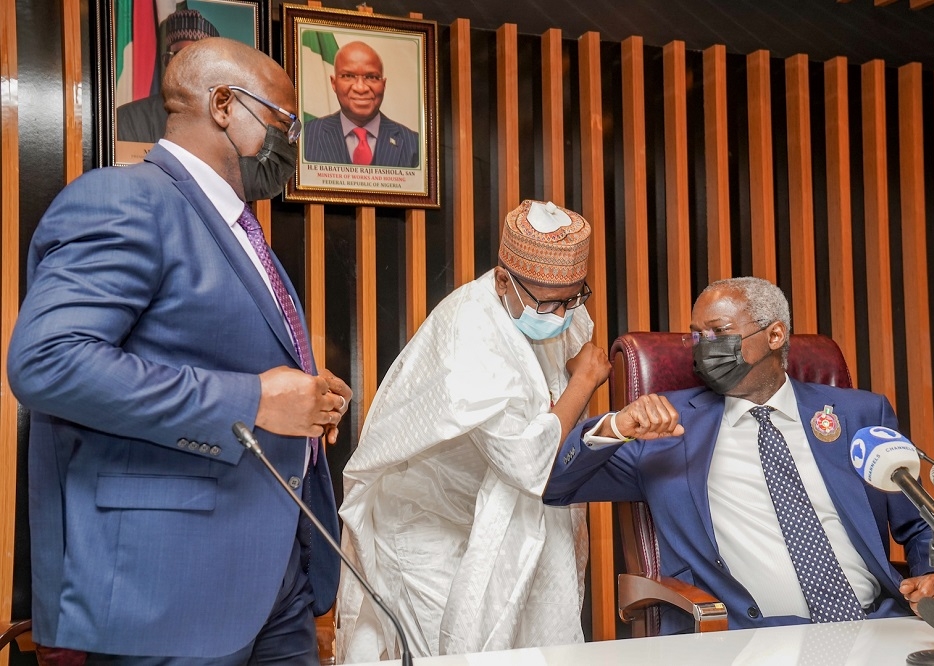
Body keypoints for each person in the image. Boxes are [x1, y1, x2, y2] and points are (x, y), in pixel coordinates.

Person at [7, 37, 351, 664]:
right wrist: (253, 400)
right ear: (223, 104)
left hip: (277, 582)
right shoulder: (125, 198)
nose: (293, 143)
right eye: (285, 122)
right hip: (166, 589)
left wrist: (303, 393)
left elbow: (210, 352)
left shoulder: (240, 227)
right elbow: (49, 360)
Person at [544, 276, 934, 634]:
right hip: (750, 640)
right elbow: (556, 484)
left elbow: (923, 524)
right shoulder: (668, 429)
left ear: (775, 335)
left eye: (718, 333)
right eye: (696, 335)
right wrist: (613, 427)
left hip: (880, 625)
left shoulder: (858, 415)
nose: (703, 347)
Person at [336, 200, 610, 661]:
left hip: (498, 514)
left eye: (573, 298)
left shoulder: (558, 307)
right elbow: (526, 461)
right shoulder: (469, 330)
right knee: (447, 657)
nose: (562, 315)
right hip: (427, 524)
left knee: (525, 648)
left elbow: (547, 417)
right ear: (503, 280)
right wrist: (584, 382)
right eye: (548, 302)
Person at [301, 40, 420, 167]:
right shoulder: (306, 137)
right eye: (348, 76)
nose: (361, 88)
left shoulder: (414, 144)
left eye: (371, 77)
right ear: (334, 83)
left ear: (383, 84)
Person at [117, 9, 220, 143]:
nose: (189, 66)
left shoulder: (227, 122)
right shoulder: (128, 119)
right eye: (180, 56)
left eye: (198, 57)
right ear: (168, 61)